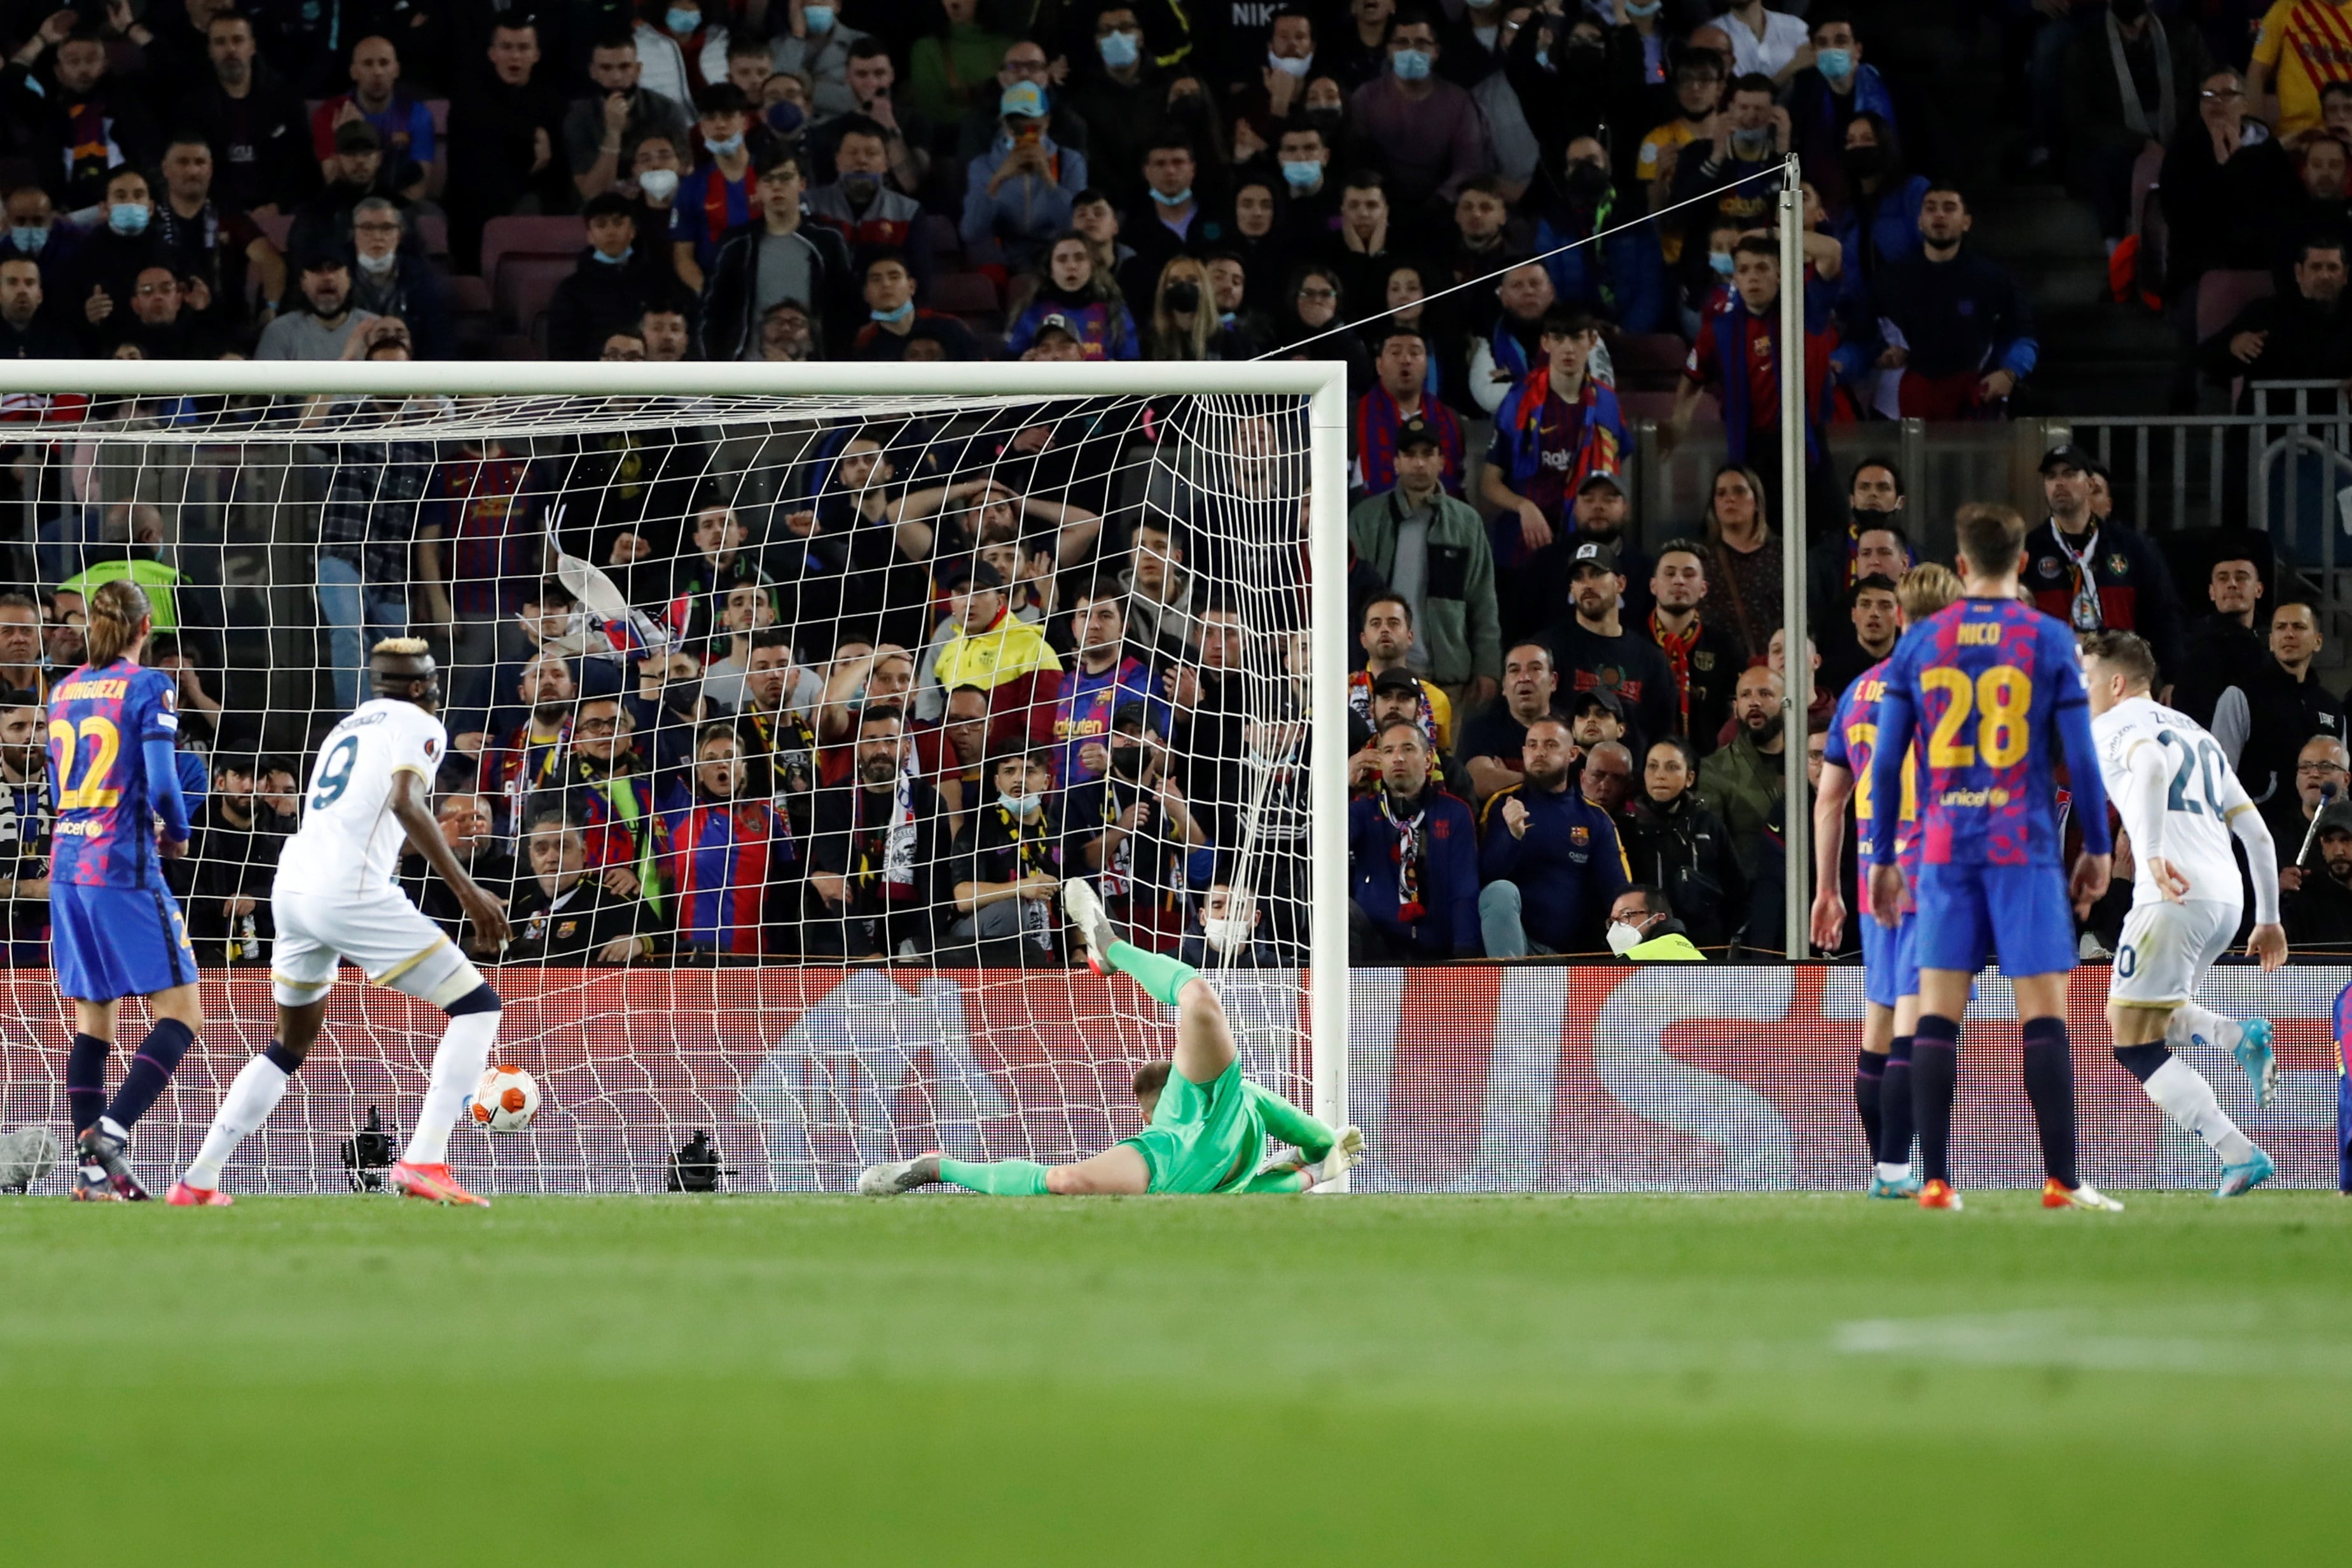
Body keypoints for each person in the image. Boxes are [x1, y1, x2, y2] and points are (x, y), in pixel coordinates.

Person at [169, 639, 511, 1207]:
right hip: (349, 892)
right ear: (423, 685)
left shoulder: (346, 727)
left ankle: (199, 1180)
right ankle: (425, 1159)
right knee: (477, 1007)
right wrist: (469, 891)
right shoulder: (421, 725)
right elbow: (406, 801)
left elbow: (364, 819)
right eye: (432, 676)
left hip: (296, 887)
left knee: (288, 1043)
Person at [1865, 504, 2120, 1213]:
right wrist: (2096, 846)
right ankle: (2061, 1181)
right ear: (2017, 559)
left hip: (1942, 848)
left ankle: (1937, 1181)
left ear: (1960, 562)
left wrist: (1884, 856)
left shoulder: (1919, 642)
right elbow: (2080, 757)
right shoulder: (2047, 637)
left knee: (1937, 1015)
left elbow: (1886, 766)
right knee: (2041, 1014)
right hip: (2022, 845)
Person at [861, 877, 1362, 1196]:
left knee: (1201, 1001)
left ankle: (1109, 948)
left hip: (1176, 1165)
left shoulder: (1240, 1104)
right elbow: (1316, 1145)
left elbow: (1306, 1155)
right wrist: (1318, 1166)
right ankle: (934, 1168)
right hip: (1161, 1161)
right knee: (1065, 1178)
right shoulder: (1207, 1115)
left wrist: (1315, 1167)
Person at [2082, 629, 2284, 1199]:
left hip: (2171, 891)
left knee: (2132, 1039)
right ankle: (2234, 1035)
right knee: (2162, 1015)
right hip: (2226, 898)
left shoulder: (2114, 724)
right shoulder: (2197, 733)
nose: (2082, 689)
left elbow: (2147, 769)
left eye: (2088, 678)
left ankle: (2238, 1155)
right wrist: (2268, 919)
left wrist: (2149, 856)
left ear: (2117, 684)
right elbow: (2259, 837)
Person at [43, 581, 204, 1201]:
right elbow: (164, 783)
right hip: (123, 865)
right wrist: (179, 835)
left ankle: (90, 1175)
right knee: (182, 1013)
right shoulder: (149, 686)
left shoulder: (63, 691)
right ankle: (110, 1133)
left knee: (94, 1022)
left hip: (68, 865)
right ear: (146, 629)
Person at [1810, 561, 1960, 1195]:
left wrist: (1826, 889)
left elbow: (1828, 799)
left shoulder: (1859, 690)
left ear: (1898, 617)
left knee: (1876, 1029)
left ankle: (1884, 1170)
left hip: (1875, 876)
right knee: (1915, 1029)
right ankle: (1895, 1171)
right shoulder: (1956, 693)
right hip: (1930, 873)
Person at [1348, 420, 1500, 708]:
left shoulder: (1466, 522)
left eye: (1428, 454)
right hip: (1378, 675)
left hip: (1447, 679)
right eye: (1410, 454)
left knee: (1444, 755)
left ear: (1442, 461)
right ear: (1396, 462)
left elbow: (1483, 601)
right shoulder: (1365, 518)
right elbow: (1351, 601)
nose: (1419, 463)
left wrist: (1488, 668)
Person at [1480, 307, 1627, 574]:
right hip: (1523, 547)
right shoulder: (1518, 401)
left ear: (1592, 342)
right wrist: (1523, 506)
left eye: (1576, 338)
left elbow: (1615, 474)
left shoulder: (1607, 403)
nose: (1568, 349)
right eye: (1558, 339)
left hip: (1587, 549)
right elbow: (1489, 483)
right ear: (1545, 343)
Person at [2023, 443, 2185, 680]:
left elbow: (2164, 614)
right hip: (2053, 677)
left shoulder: (2131, 546)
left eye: (2069, 474)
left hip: (2120, 676)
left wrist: (2173, 677)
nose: (2059, 483)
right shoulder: (2029, 550)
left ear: (2090, 485)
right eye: (2051, 476)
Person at [1476, 715, 1629, 958]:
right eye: (1533, 745)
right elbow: (1484, 879)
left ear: (1572, 754)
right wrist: (1511, 838)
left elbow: (1618, 891)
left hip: (1567, 955)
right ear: (1524, 752)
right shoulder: (1502, 805)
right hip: (1513, 947)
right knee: (1500, 892)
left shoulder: (1595, 818)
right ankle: (1513, 984)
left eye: (1551, 745)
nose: (1540, 753)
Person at [1348, 718, 1478, 961]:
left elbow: (1464, 888)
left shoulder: (1455, 812)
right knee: (1341, 909)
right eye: (1389, 751)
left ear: (1429, 759)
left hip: (1438, 947)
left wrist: (1465, 957)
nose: (1398, 757)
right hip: (1374, 945)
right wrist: (1343, 787)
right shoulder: (1361, 811)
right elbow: (1324, 849)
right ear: (1380, 761)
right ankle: (1339, 994)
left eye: (1408, 749)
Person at [1539, 540, 1677, 759]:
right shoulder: (1547, 651)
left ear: (1620, 584)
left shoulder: (1651, 660)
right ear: (1571, 589)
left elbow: (1663, 736)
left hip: (1633, 785)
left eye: (1596, 574)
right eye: (1578, 577)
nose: (1587, 584)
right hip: (1568, 784)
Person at [2212, 599, 2349, 808]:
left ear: (2318, 641)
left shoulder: (2331, 707)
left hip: (2316, 834)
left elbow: (2341, 785)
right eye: (2281, 627)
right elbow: (2217, 776)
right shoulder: (2242, 696)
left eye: (2299, 627)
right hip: (2260, 832)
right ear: (2271, 641)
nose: (2289, 634)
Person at [1348, 7, 1486, 211]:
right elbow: (1354, 159)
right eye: (1402, 43)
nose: (1411, 50)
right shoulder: (1366, 97)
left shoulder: (1459, 102)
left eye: (1422, 43)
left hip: (1442, 209)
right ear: (1389, 50)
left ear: (1436, 51)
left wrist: (1440, 199)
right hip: (1377, 206)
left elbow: (1469, 165)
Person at [2197, 235, 2352, 406]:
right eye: (2315, 267)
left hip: (2336, 429)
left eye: (2333, 268)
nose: (2325, 276)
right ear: (2299, 273)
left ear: (2345, 275)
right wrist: (2233, 346)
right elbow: (2207, 359)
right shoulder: (2264, 313)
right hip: (2268, 429)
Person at [1623, 736, 1745, 951]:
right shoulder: (1627, 827)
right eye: (1653, 767)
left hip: (1706, 949)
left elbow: (1735, 890)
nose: (1660, 775)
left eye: (1672, 768)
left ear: (1690, 778)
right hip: (1645, 949)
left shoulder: (1708, 826)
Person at [1699, 666, 1787, 881]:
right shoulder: (1713, 770)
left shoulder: (1811, 761)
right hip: (1750, 896)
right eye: (1746, 695)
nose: (1755, 702)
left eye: (1765, 694)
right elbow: (1712, 855)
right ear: (1736, 707)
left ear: (1787, 703)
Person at [1605, 886, 1706, 960]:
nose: (1616, 927)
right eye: (1613, 921)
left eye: (1626, 915)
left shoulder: (1631, 960)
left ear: (1659, 918)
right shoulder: (1699, 957)